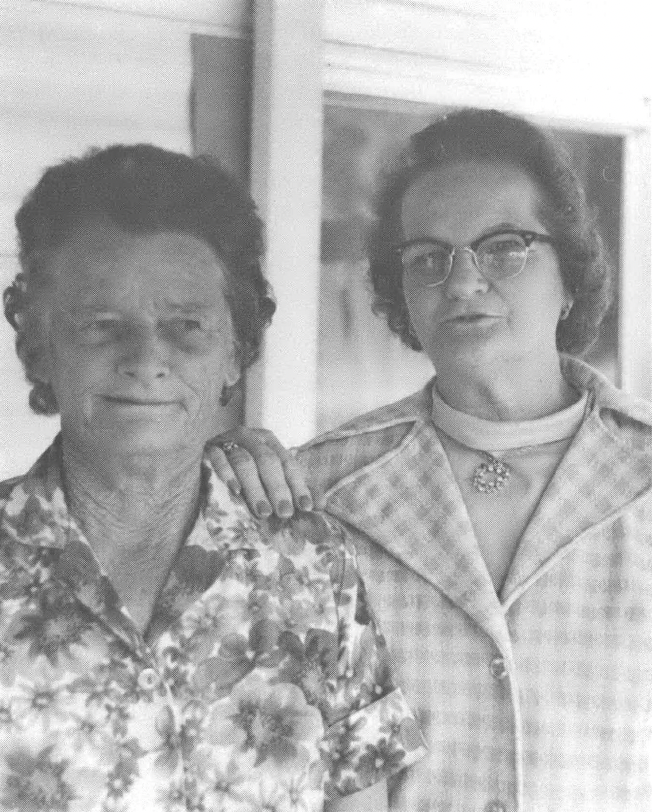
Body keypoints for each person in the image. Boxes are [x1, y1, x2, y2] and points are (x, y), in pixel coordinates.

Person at [208, 109, 652, 812]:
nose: (464, 281)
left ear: (570, 276)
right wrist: (206, 476)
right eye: (429, 258)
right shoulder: (317, 493)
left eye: (504, 247)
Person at [0, 145, 425, 812]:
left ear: (237, 353)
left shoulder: (310, 563)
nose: (146, 359)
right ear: (39, 346)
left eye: (187, 327)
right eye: (101, 325)